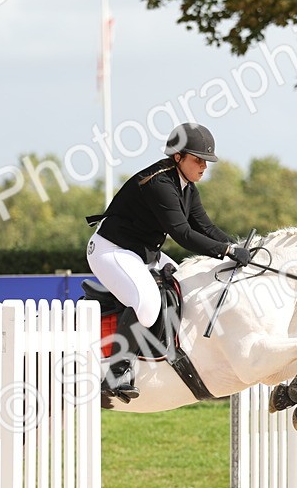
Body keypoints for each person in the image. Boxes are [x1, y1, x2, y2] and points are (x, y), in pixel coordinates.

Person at [86, 122, 250, 400]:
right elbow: (183, 234)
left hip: (143, 252)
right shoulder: (159, 183)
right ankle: (117, 372)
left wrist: (238, 247)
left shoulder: (187, 187)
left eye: (206, 161)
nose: (204, 167)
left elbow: (206, 228)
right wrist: (227, 252)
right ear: (178, 157)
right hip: (111, 250)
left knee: (186, 285)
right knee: (148, 304)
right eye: (198, 160)